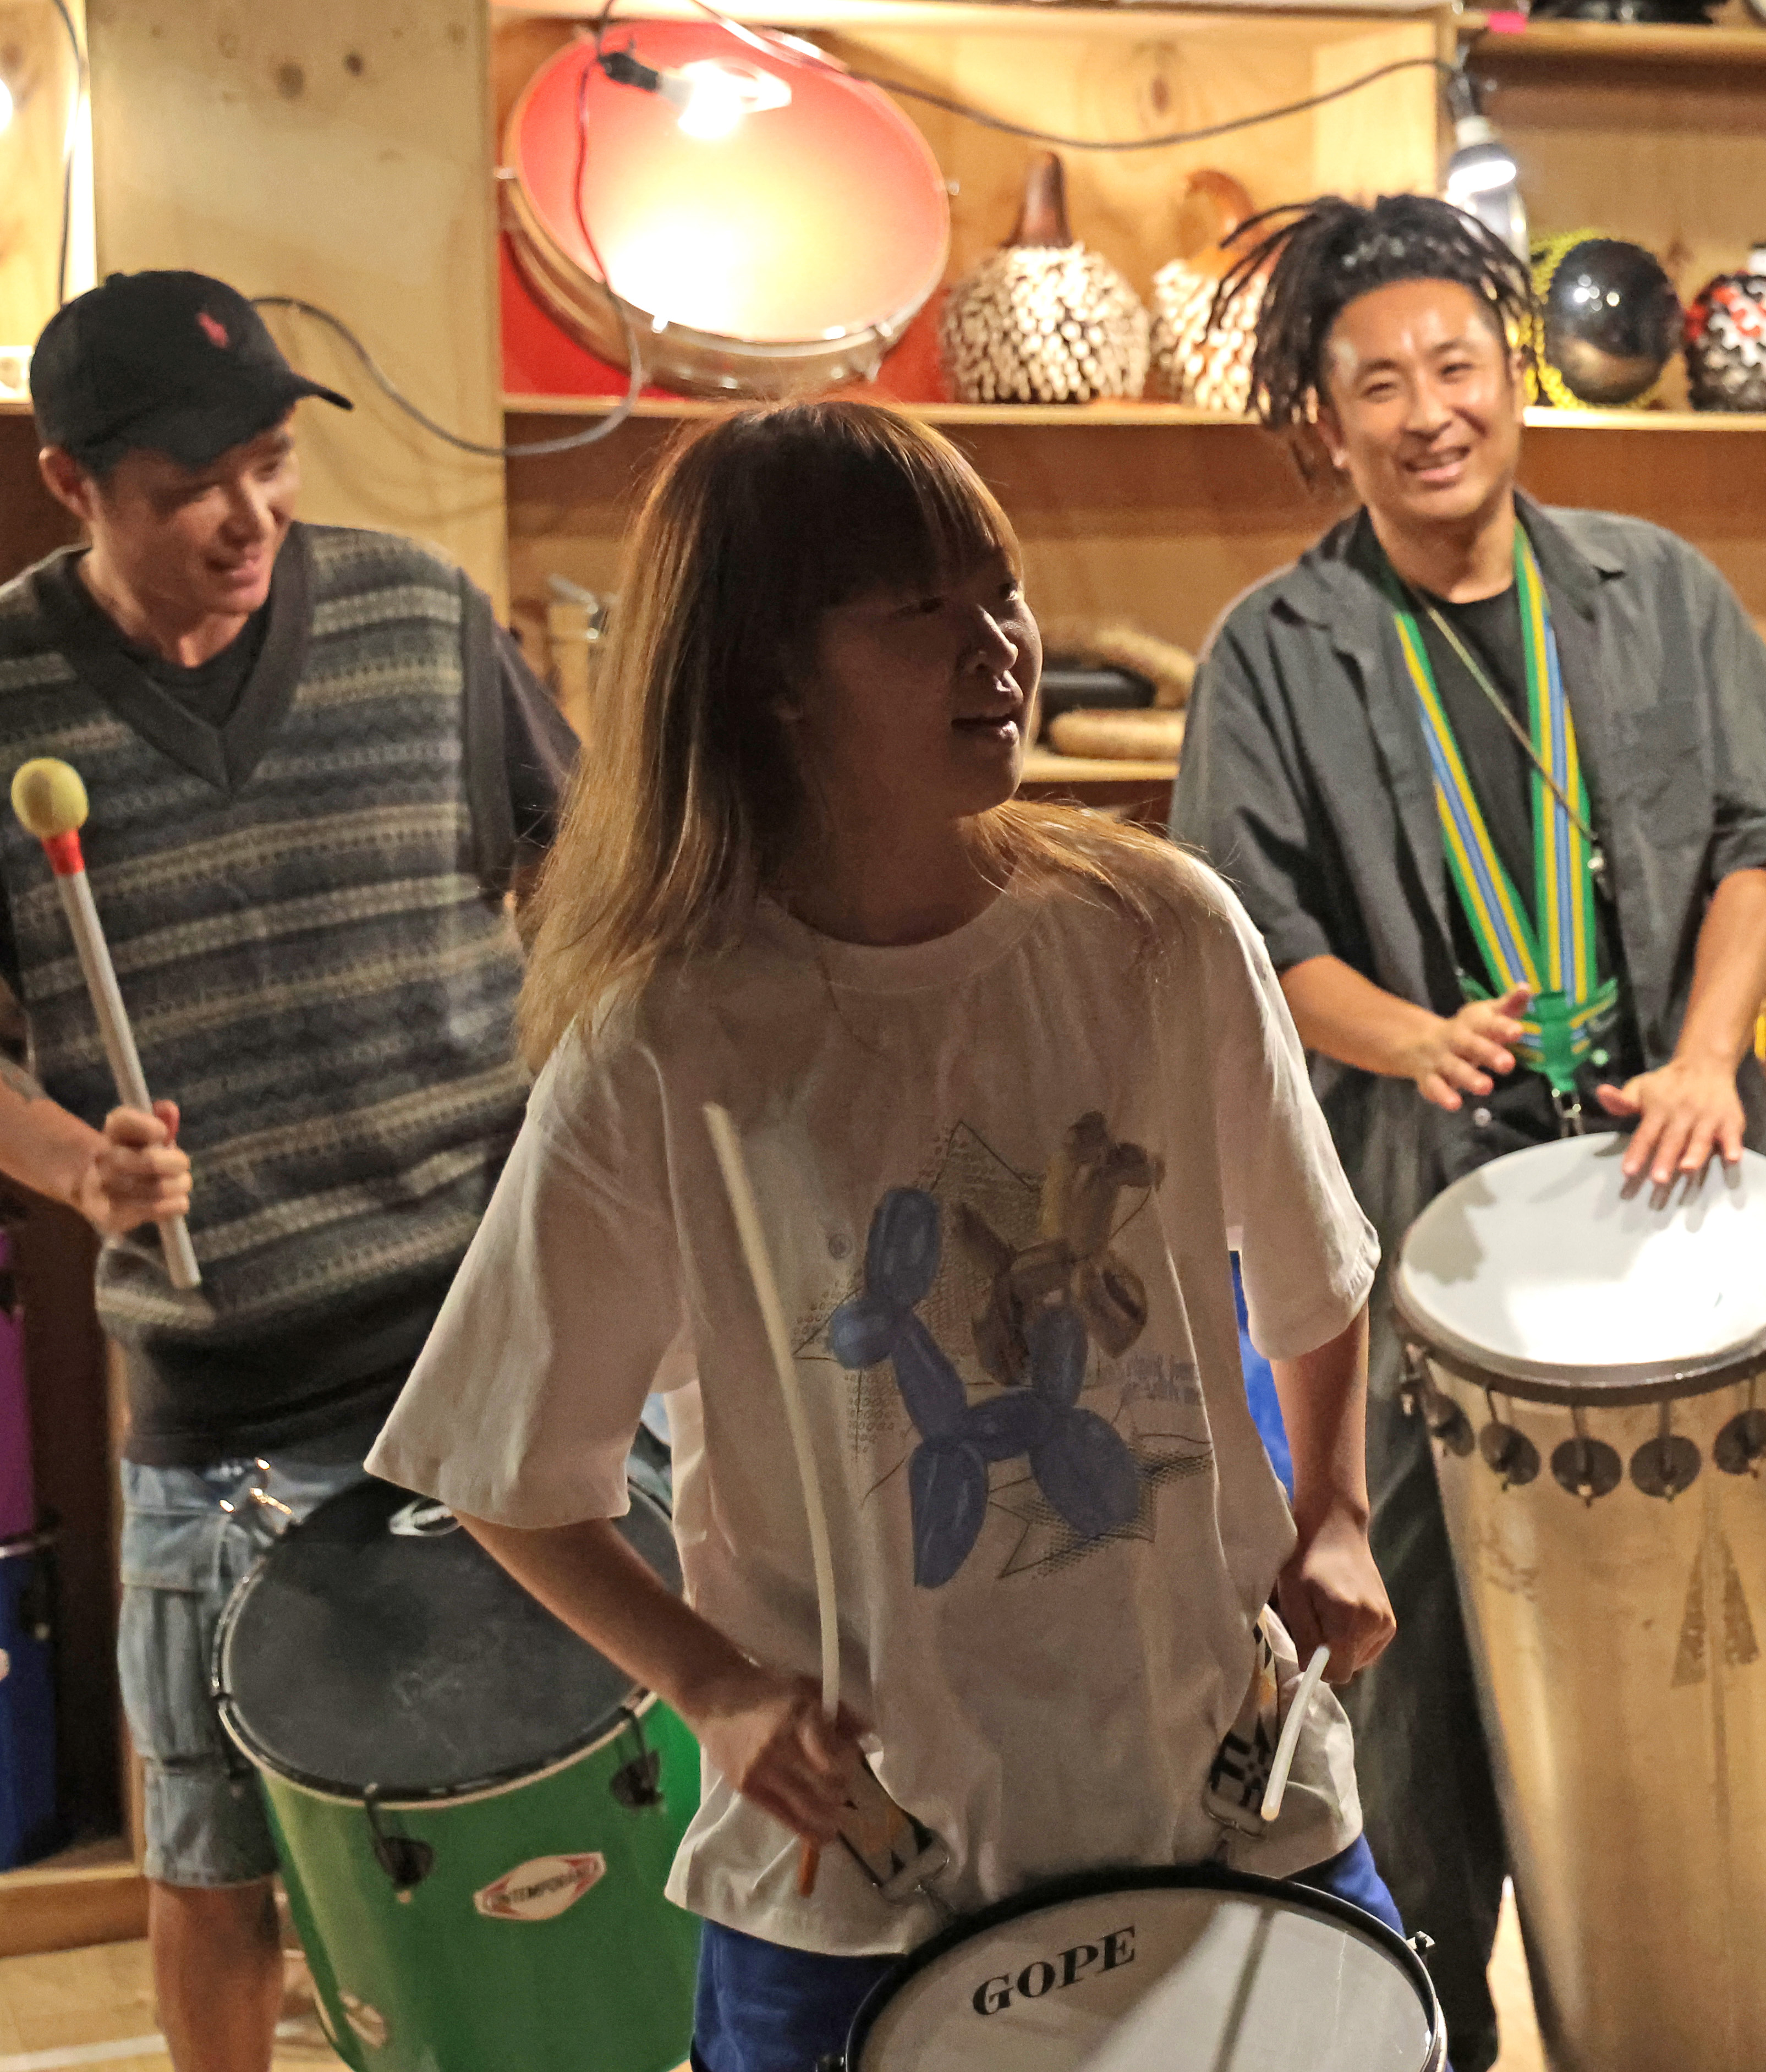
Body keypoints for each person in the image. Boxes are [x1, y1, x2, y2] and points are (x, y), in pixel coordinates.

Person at [365, 399, 1398, 2072]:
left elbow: (1315, 1272)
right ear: (771, 672)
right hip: (866, 1879)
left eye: (1002, 591)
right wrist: (714, 1688)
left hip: (1229, 1795)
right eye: (922, 611)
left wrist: (1335, 1510)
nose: (1000, 647)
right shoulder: (670, 1042)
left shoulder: (1159, 934)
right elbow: (505, 1468)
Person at [1170, 194, 1766, 2072]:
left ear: (1513, 375)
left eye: (1456, 364)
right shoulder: (1273, 648)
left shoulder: (1653, 586)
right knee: (1411, 1644)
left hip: (1682, 1174)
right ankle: (1425, 2034)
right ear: (1324, 418)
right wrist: (1405, 1034)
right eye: (1379, 383)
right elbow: (1244, 938)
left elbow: (1762, 852)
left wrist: (1706, 1055)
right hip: (1416, 1210)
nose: (1427, 411)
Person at [0, 271, 575, 2072]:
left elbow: (580, 864)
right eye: (190, 487)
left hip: (499, 1348)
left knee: (587, 1793)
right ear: (73, 485)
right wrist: (78, 1169)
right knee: (211, 1850)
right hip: (223, 1393)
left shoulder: (420, 615)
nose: (247, 516)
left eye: (270, 463)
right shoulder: (3, 690)